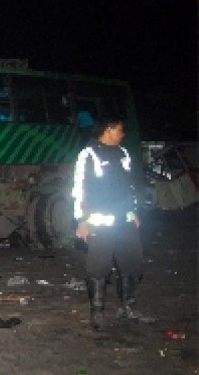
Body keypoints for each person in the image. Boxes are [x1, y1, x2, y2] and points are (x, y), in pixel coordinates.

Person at [72, 116, 144, 331]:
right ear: (109, 130)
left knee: (132, 263)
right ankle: (97, 313)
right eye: (120, 130)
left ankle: (127, 308)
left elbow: (129, 186)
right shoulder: (88, 155)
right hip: (100, 224)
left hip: (125, 221)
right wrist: (82, 221)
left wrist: (133, 211)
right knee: (98, 268)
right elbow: (79, 190)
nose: (123, 134)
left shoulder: (123, 154)